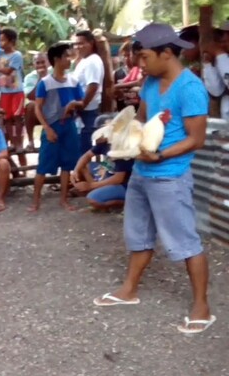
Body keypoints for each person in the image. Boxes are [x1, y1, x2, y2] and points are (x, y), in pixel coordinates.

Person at [93, 23, 215, 335]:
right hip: (142, 173)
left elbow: (196, 139)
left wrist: (160, 156)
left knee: (185, 242)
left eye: (145, 57)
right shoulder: (150, 83)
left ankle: (202, 306)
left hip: (170, 177)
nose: (140, 65)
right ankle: (129, 290)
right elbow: (143, 121)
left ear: (166, 53)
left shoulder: (190, 88)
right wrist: (122, 139)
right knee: (138, 236)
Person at [28, 42, 84, 213]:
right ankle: (36, 202)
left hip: (69, 126)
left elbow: (81, 102)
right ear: (57, 59)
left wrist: (74, 104)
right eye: (66, 56)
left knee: (67, 165)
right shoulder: (45, 83)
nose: (69, 59)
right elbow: (37, 107)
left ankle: (63, 200)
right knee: (43, 165)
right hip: (52, 126)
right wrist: (47, 128)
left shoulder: (74, 80)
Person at [71, 135, 133, 211]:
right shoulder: (103, 143)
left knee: (93, 199)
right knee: (83, 171)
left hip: (125, 184)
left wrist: (90, 186)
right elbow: (86, 156)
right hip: (109, 177)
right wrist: (75, 171)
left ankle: (127, 202)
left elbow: (118, 178)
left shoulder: (120, 148)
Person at [0, 28, 25, 157]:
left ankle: (19, 143)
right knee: (7, 118)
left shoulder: (17, 55)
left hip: (16, 91)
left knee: (17, 117)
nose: (1, 43)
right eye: (0, 40)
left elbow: (8, 71)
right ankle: (12, 143)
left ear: (12, 41)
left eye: (4, 40)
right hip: (4, 92)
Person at [72, 30, 105, 154]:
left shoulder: (93, 61)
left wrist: (82, 104)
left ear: (91, 43)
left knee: (84, 148)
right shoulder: (84, 61)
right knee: (79, 147)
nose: (78, 47)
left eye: (81, 43)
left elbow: (93, 86)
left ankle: (82, 172)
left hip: (87, 111)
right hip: (81, 111)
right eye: (76, 44)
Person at [23, 53, 51, 150]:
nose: (40, 65)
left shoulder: (55, 73)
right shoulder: (29, 77)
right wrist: (41, 78)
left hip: (53, 107)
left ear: (48, 62)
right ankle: (31, 141)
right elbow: (30, 96)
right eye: (37, 63)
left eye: (43, 62)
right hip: (38, 109)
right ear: (34, 64)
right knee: (30, 105)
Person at [202, 24, 229, 119]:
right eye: (222, 42)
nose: (224, 45)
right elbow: (216, 91)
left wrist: (220, 55)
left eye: (226, 41)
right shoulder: (222, 59)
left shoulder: (222, 57)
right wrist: (208, 65)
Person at [113, 41, 143, 111]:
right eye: (124, 56)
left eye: (128, 55)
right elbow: (114, 92)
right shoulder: (118, 73)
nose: (126, 59)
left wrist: (121, 87)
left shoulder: (143, 69)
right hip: (123, 110)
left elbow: (141, 84)